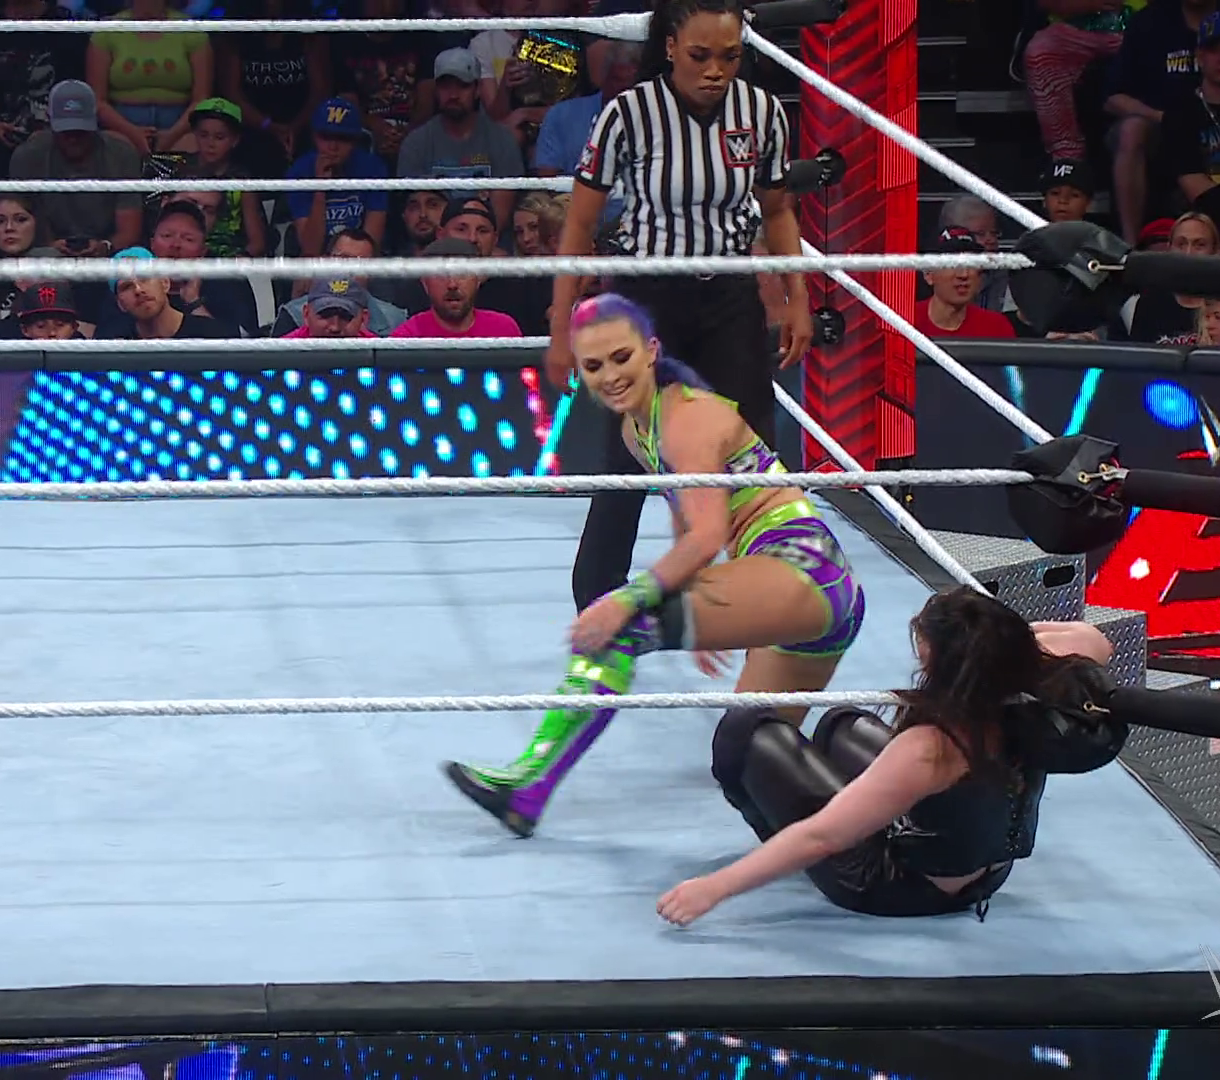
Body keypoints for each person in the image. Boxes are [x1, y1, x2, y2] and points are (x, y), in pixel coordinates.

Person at [443, 294, 866, 837]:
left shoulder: (685, 418)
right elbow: (689, 515)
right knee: (746, 752)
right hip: (805, 585)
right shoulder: (637, 429)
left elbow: (708, 533)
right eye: (594, 365)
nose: (610, 376)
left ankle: (526, 789)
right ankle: (863, 825)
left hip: (802, 568)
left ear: (651, 351)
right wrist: (711, 602)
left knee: (618, 630)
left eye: (621, 357)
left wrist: (625, 599)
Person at [548, 0, 817, 615]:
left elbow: (778, 209)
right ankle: (598, 608)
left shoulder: (761, 111)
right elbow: (580, 222)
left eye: (729, 56)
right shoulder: (629, 114)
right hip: (649, 298)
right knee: (630, 452)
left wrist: (798, 296)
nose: (715, 70)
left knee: (752, 449)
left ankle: (765, 590)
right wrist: (562, 327)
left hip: (728, 292)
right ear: (670, 47)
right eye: (700, 55)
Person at [657, 587, 1116, 925]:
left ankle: (788, 841)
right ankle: (883, 814)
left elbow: (821, 836)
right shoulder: (1042, 684)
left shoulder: (932, 749)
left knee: (745, 730)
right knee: (841, 724)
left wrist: (713, 888)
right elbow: (1095, 638)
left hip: (902, 888)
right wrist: (1001, 645)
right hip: (990, 872)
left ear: (941, 664)